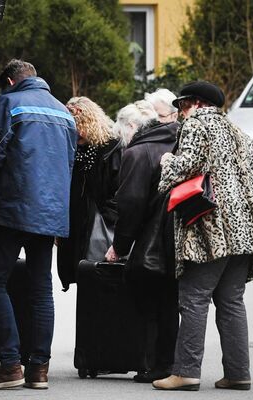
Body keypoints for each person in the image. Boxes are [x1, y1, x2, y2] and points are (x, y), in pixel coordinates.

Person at [152, 81, 253, 391]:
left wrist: (166, 163)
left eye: (182, 105)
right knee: (232, 301)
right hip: (244, 233)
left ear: (195, 103)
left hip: (210, 229)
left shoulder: (197, 124)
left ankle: (186, 372)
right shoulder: (240, 134)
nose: (180, 112)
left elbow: (186, 166)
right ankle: (238, 373)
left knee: (194, 299)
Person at [0, 59, 77, 390]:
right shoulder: (63, 112)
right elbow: (68, 164)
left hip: (13, 207)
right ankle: (39, 370)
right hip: (49, 214)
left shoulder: (9, 102)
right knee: (40, 288)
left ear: (10, 81)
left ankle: (10, 365)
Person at [105, 99, 179, 383]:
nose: (120, 139)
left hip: (151, 241)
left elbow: (131, 204)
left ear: (133, 126)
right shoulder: (174, 141)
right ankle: (169, 363)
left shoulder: (137, 153)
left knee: (149, 303)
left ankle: (152, 365)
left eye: (121, 131)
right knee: (170, 303)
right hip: (178, 235)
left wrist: (119, 246)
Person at [56, 96, 122, 292]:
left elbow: (118, 189)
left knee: (98, 277)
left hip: (100, 223)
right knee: (81, 275)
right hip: (75, 221)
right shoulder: (72, 149)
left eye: (78, 124)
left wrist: (110, 217)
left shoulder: (111, 147)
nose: (75, 131)